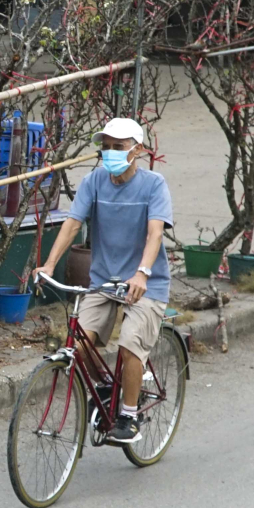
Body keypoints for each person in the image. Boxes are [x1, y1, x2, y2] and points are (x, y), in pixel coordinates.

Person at [37, 116, 172, 446]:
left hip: (145, 284)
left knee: (129, 346)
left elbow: (155, 233)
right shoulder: (94, 181)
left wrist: (142, 272)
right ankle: (107, 384)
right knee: (78, 346)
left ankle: (128, 414)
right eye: (106, 147)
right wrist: (49, 264)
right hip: (103, 282)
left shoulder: (154, 185)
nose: (110, 152)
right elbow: (71, 224)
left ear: (137, 150)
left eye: (119, 147)